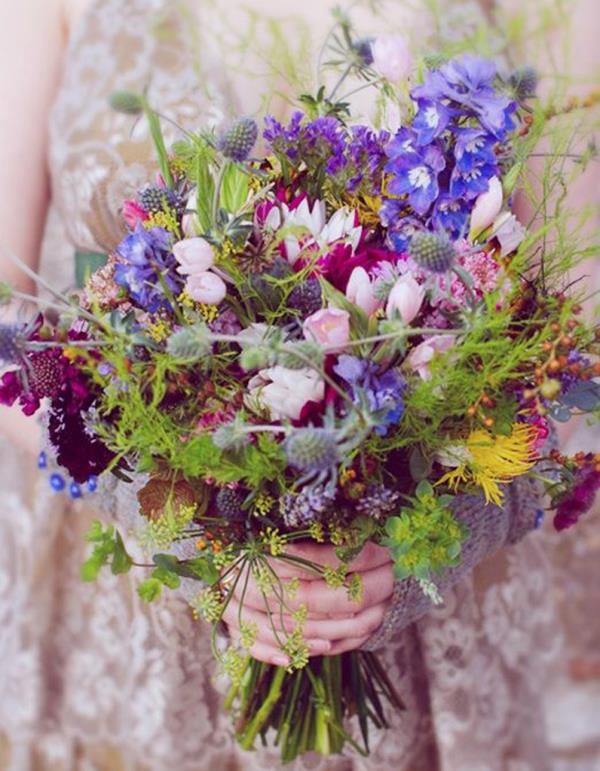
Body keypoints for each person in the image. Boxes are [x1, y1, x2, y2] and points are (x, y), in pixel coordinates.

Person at [0, 1, 597, 769]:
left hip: (428, 628)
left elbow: (571, 340)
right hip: (135, 626)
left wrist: (437, 549)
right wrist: (159, 513)